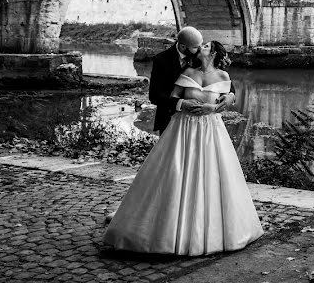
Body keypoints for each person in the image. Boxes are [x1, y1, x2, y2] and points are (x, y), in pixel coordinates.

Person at [104, 41, 263, 255]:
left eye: (205, 45)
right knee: (172, 174)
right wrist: (182, 104)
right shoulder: (186, 70)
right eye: (199, 44)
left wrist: (217, 105)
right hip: (182, 128)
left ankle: (212, 230)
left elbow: (228, 93)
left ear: (213, 53)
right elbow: (169, 96)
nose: (200, 47)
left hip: (211, 132)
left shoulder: (223, 76)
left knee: (213, 177)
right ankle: (162, 227)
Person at [149, 26, 235, 133]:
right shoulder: (161, 60)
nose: (200, 49)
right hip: (170, 119)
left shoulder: (201, 57)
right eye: (196, 47)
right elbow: (154, 96)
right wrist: (181, 103)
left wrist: (230, 97)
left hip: (204, 123)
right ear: (183, 46)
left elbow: (225, 85)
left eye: (202, 45)